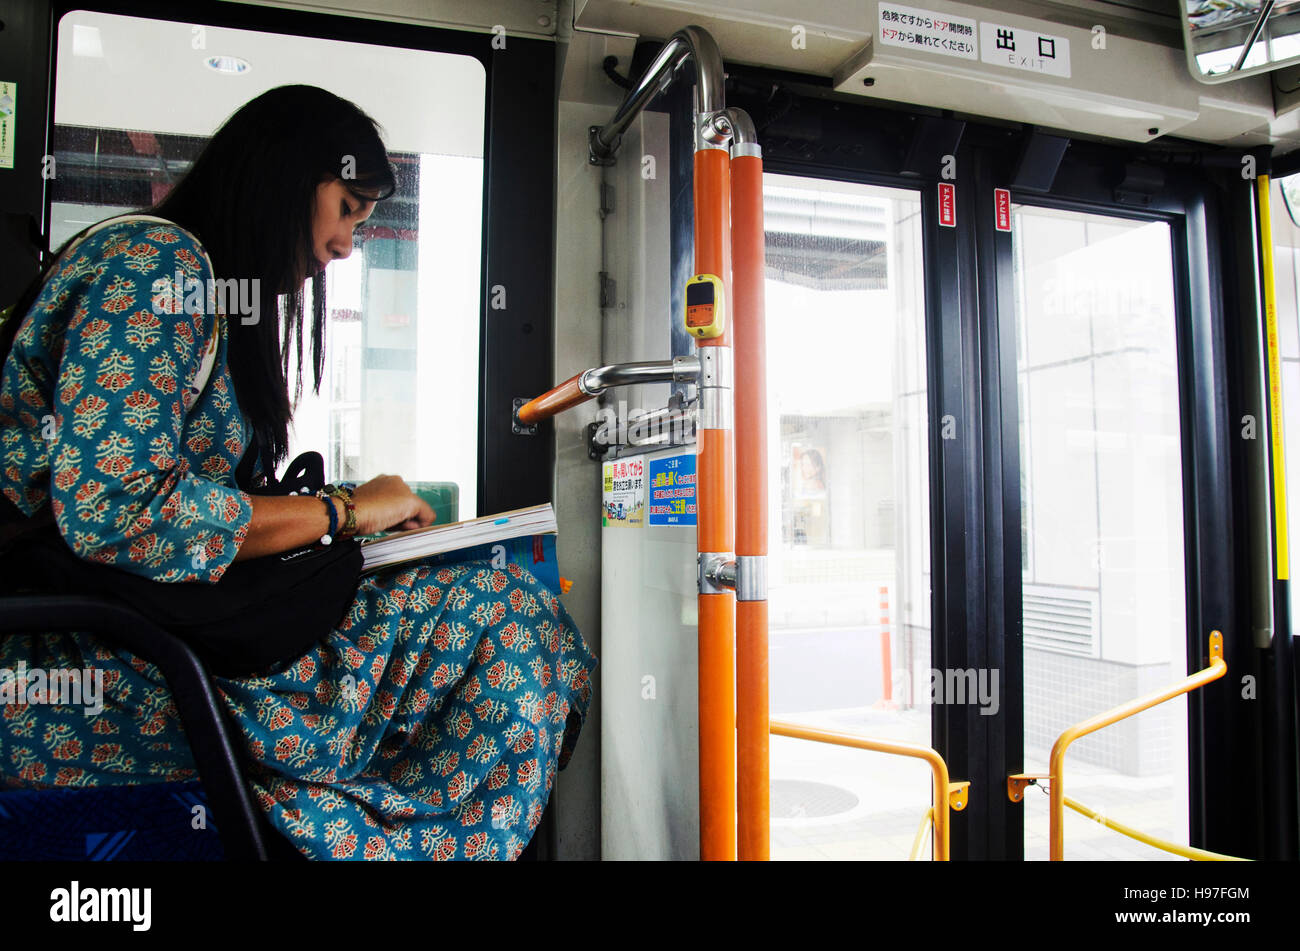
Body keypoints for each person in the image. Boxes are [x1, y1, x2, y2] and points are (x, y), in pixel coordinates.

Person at [0, 85, 596, 860]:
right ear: (285, 175)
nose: (348, 243)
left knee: (504, 613)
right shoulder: (155, 266)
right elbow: (119, 510)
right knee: (507, 618)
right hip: (83, 664)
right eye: (347, 206)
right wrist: (344, 511)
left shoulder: (205, 290)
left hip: (153, 632)